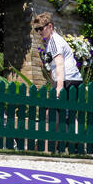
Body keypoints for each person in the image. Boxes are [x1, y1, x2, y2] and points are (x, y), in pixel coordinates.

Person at [33, 12, 82, 152]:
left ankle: (44, 144)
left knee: (56, 112)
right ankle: (75, 145)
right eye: (36, 30)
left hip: (67, 81)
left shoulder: (54, 41)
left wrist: (59, 87)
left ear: (49, 26)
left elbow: (60, 64)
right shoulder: (53, 41)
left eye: (40, 28)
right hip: (73, 80)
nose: (39, 32)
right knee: (68, 115)